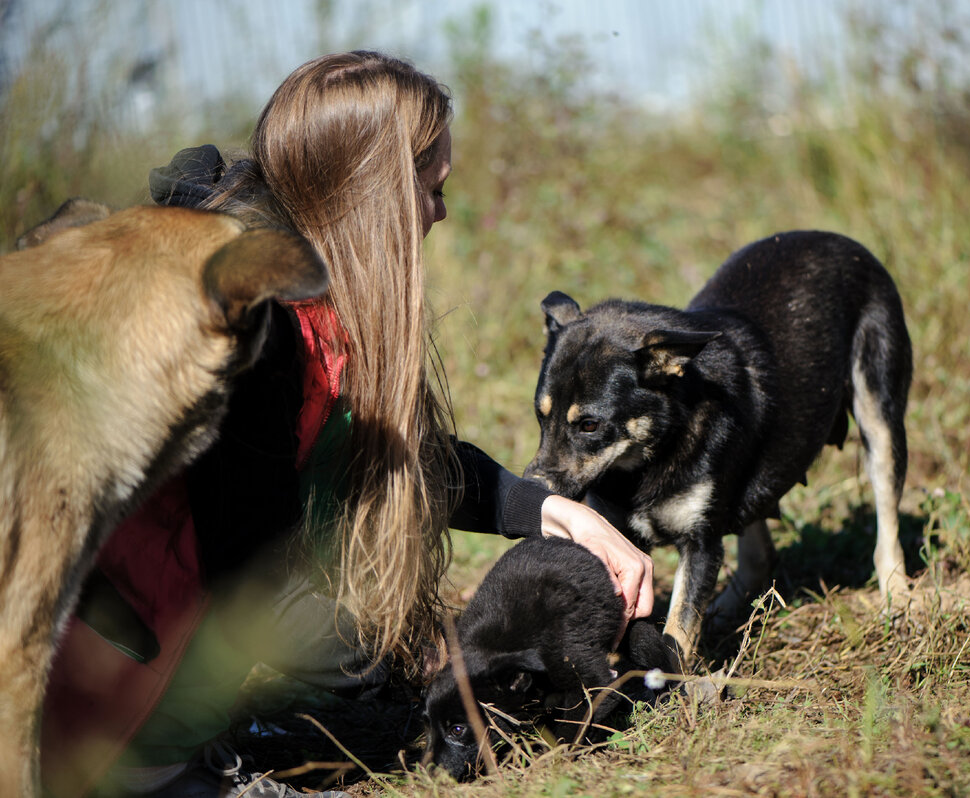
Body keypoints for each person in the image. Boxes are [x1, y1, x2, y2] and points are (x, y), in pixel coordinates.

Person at [40, 50, 654, 798]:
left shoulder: (283, 276)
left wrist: (550, 511)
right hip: (94, 716)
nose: (442, 212)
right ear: (377, 195)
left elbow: (387, 455)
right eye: (432, 189)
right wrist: (408, 659)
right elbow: (255, 579)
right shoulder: (251, 333)